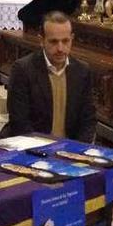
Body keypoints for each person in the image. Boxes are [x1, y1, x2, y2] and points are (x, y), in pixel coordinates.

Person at [6, 11, 96, 142]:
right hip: (33, 149)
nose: (60, 48)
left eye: (65, 41)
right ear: (41, 40)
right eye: (54, 42)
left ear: (72, 39)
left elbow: (88, 120)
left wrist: (78, 151)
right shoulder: (23, 69)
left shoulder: (82, 71)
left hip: (71, 150)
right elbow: (20, 122)